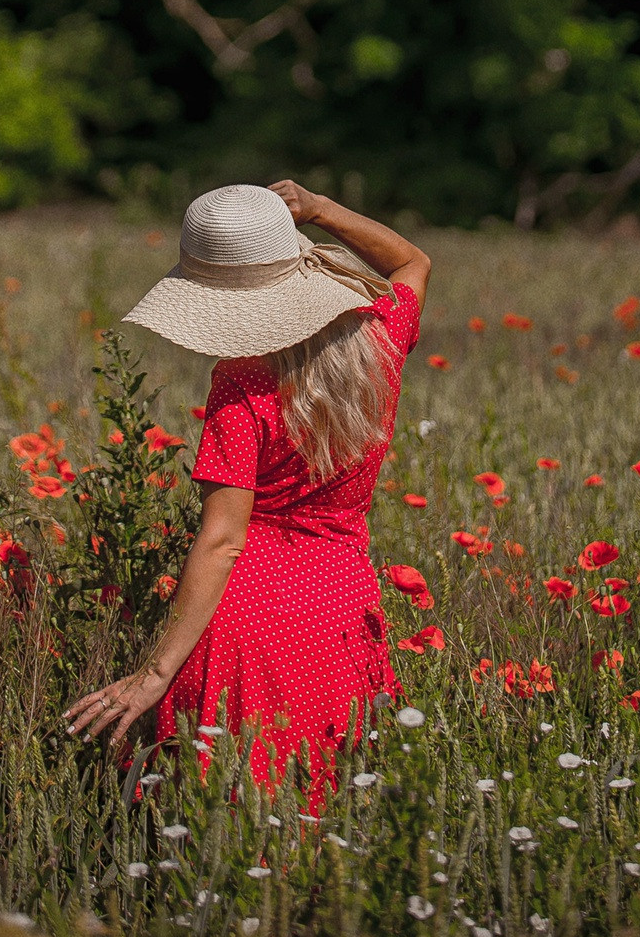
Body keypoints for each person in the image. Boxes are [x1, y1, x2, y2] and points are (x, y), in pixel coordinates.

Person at [64, 179, 429, 799]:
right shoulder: (380, 338)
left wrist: (155, 673)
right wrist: (322, 210)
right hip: (337, 608)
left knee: (224, 807)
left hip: (245, 621)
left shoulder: (240, 388)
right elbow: (411, 261)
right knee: (324, 801)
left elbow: (223, 541)